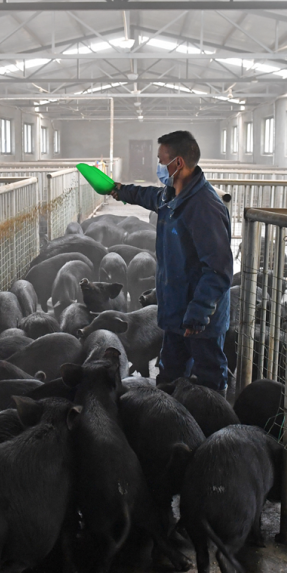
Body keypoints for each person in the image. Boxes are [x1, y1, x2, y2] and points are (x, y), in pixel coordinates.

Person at [110, 131, 233, 391]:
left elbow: (218, 268)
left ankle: (211, 413)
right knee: (168, 376)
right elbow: (149, 196)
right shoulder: (172, 195)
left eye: (161, 160)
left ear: (177, 163)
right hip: (176, 310)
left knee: (208, 380)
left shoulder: (205, 207)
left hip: (200, 319)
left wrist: (199, 312)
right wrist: (121, 191)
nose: (158, 166)